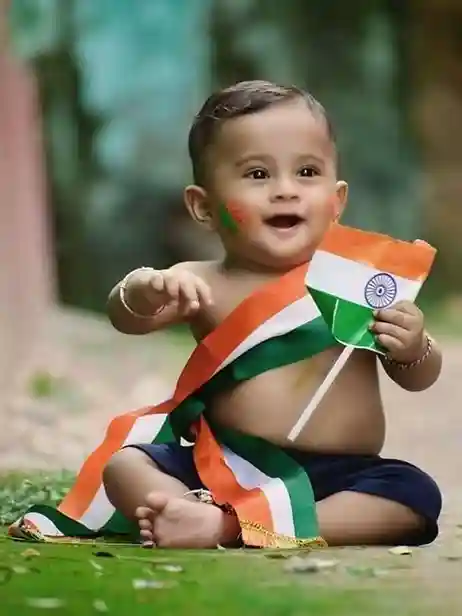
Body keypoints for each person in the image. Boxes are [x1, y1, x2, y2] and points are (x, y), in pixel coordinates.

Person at [103, 80, 442, 549]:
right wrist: (143, 288)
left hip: (338, 475)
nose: (286, 191)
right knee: (125, 465)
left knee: (414, 495)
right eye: (258, 175)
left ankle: (228, 528)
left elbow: (419, 376)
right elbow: (127, 317)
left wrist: (413, 347)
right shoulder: (201, 280)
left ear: (337, 200)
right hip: (223, 467)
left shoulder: (360, 281)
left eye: (307, 172)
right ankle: (190, 511)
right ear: (203, 206)